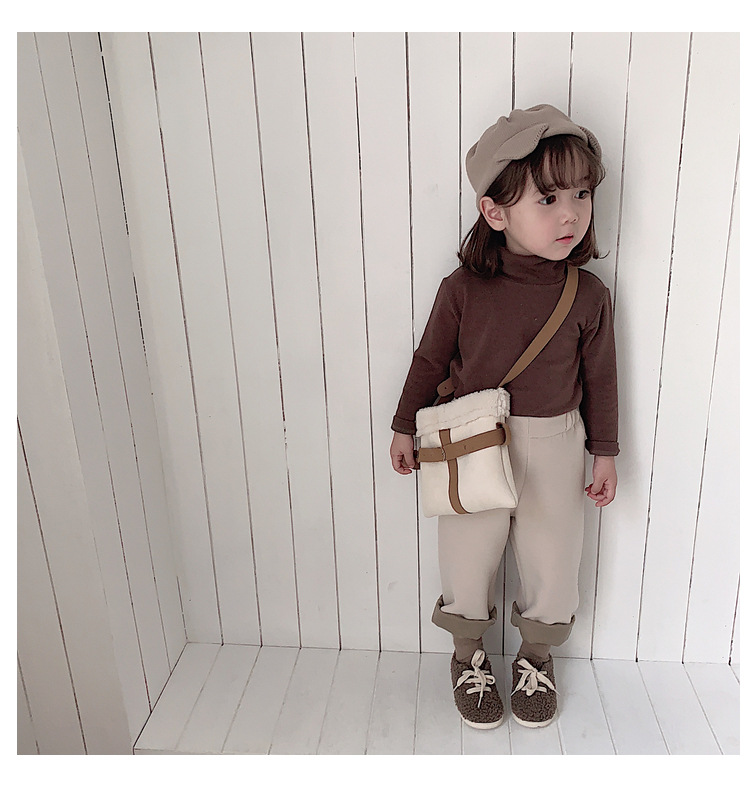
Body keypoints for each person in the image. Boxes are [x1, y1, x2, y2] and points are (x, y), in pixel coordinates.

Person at [389, 105, 618, 730]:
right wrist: (405, 423)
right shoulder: (463, 289)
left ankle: (536, 657)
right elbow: (430, 358)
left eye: (581, 194)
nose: (570, 213)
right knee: (468, 550)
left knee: (553, 554)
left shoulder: (589, 295)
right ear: (495, 212)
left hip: (557, 441)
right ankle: (467, 655)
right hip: (473, 440)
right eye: (547, 198)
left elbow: (600, 380)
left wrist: (604, 452)